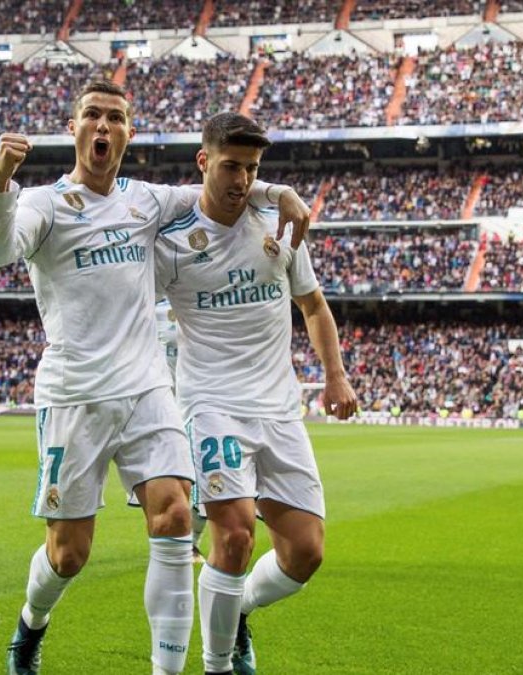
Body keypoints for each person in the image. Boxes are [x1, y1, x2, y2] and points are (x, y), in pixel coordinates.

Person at [0, 79, 311, 675]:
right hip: (76, 394)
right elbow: (1, 250)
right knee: (69, 554)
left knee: (178, 517)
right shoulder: (43, 204)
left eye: (116, 118)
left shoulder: (147, 201)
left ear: (129, 133)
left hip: (149, 390)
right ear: (75, 127)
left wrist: (278, 190)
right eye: (92, 116)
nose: (104, 127)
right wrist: (1, 182)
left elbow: (219, 184)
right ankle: (31, 625)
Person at [153, 112, 359, 675]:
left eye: (252, 169)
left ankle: (235, 608)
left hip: (278, 407)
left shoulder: (279, 224)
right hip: (210, 403)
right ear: (204, 162)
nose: (241, 179)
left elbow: (313, 306)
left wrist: (336, 376)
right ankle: (218, 665)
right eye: (230, 166)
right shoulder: (170, 241)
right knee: (237, 533)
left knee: (305, 552)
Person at [155, 298, 208, 565]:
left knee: (203, 477)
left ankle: (192, 542)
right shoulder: (148, 306)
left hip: (196, 402)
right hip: (158, 407)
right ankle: (173, 539)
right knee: (170, 481)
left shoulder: (198, 294)